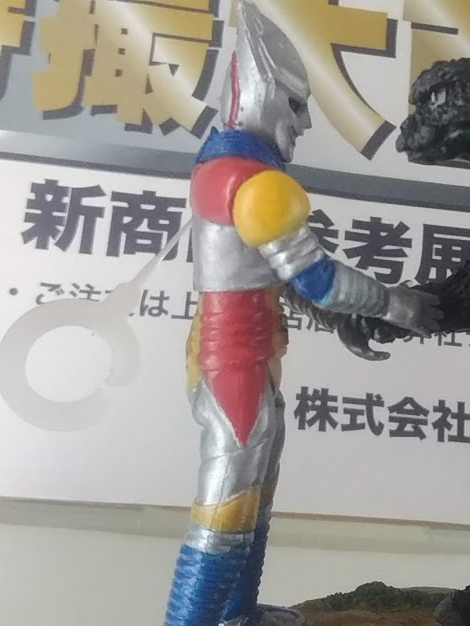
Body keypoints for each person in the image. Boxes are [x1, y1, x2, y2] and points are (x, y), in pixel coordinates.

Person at [163, 3, 440, 624]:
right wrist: (402, 306)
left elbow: (271, 276)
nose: (302, 121)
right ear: (259, 97)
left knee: (253, 491)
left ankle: (238, 614)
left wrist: (343, 319)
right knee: (227, 503)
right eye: (293, 104)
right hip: (233, 360)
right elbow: (318, 279)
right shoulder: (251, 181)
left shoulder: (228, 168)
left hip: (242, 354)